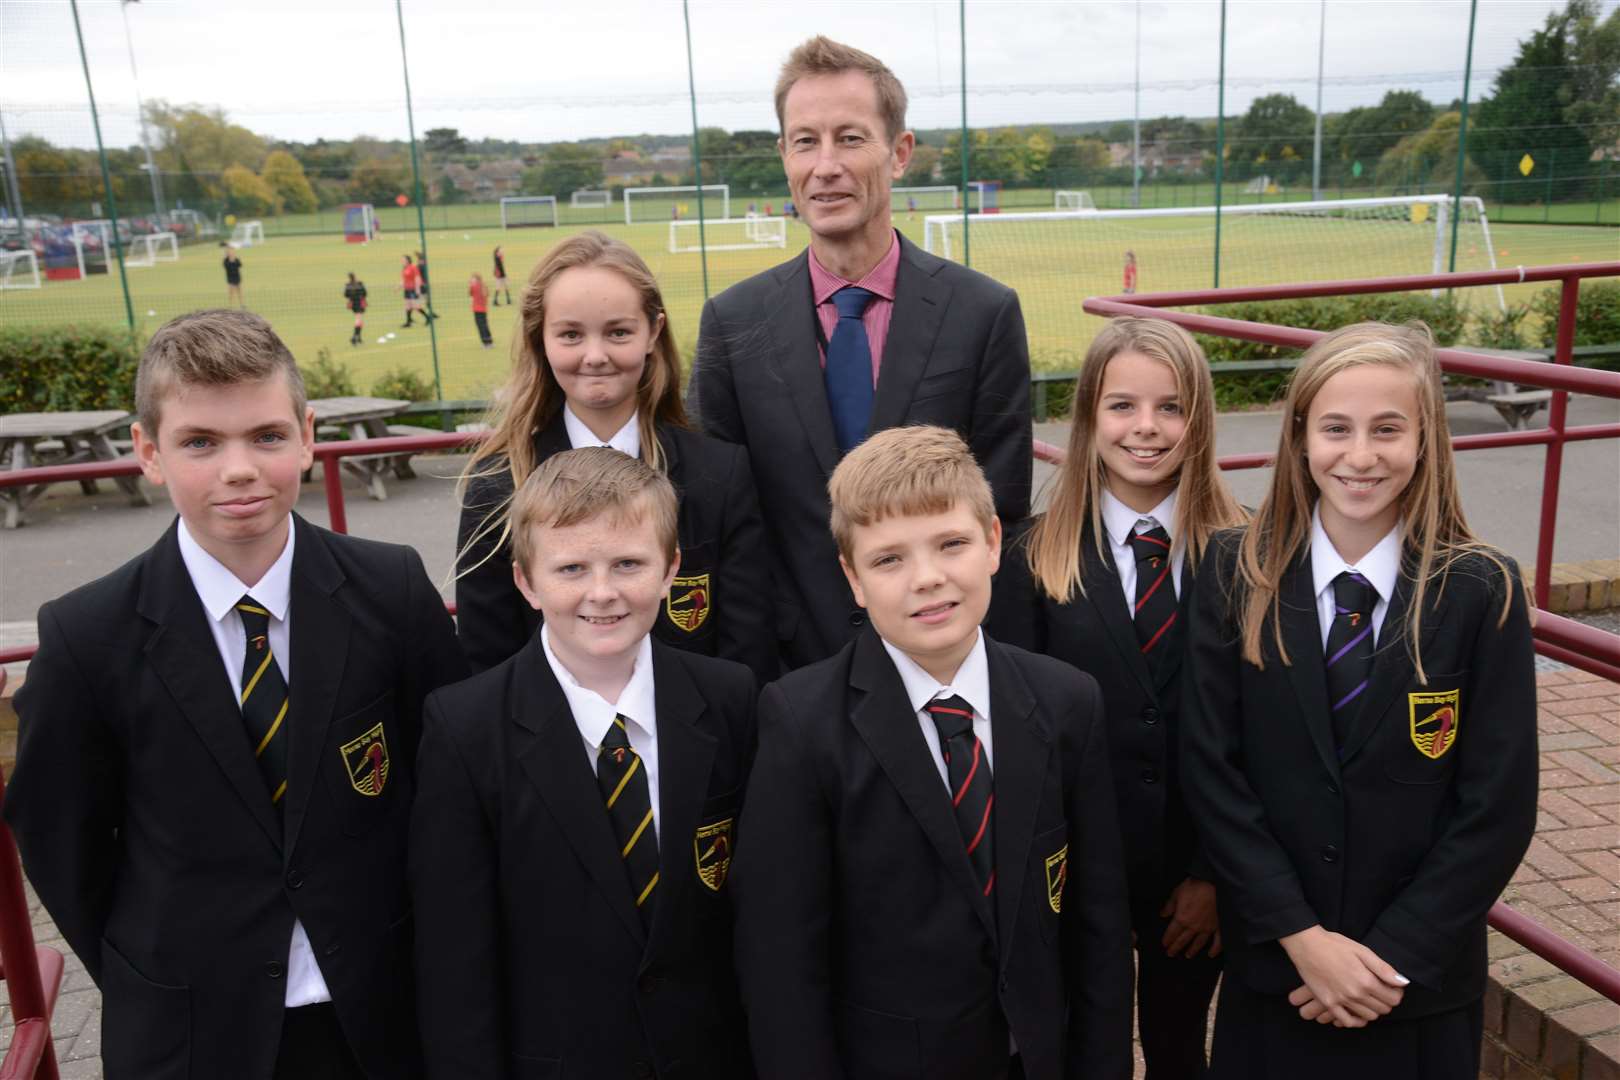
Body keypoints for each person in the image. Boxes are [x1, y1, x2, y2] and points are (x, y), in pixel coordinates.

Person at [4, 309, 468, 1080]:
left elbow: (447, 791)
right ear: (148, 453)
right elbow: (63, 844)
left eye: (266, 436)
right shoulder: (88, 635)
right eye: (199, 443)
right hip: (194, 1030)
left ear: (307, 434)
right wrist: (151, 971)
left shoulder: (391, 591)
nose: (239, 468)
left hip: (383, 1013)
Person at [1181, 322, 1538, 1080]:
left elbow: (1497, 807)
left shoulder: (1482, 590)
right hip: (1277, 975)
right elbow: (1212, 772)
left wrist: (1392, 956)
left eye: (1388, 429)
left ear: (1426, 437)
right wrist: (1302, 938)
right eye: (1337, 428)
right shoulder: (1232, 570)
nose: (1361, 455)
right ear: (1302, 434)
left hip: (1417, 988)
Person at [731, 425, 1134, 1080]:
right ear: (852, 578)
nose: (928, 579)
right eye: (888, 559)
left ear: (995, 543)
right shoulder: (801, 723)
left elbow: (1100, 932)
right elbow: (781, 963)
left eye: (951, 544)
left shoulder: (1067, 703)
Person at [687, 36, 1033, 670]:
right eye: (805, 141)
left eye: (850, 138)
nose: (826, 165)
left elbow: (1001, 517)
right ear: (784, 156)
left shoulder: (983, 313)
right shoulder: (731, 323)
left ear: (898, 153)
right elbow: (722, 525)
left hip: (942, 658)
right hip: (787, 670)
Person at [413, 448, 757, 1078]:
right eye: (571, 568)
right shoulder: (464, 728)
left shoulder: (731, 700)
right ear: (525, 581)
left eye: (628, 563)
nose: (602, 592)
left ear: (671, 568)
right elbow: (455, 958)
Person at [989, 317, 1246, 1079]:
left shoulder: (1247, 554)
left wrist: (1214, 872)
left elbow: (1258, 730)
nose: (1147, 428)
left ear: (1199, 421)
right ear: (1088, 419)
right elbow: (1020, 733)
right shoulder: (1031, 557)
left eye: (1171, 408)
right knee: (1083, 1045)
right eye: (1122, 406)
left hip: (1195, 878)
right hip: (1076, 869)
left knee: (1176, 1046)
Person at [455, 230, 775, 683]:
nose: (595, 356)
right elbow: (486, 660)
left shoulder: (718, 475)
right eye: (570, 334)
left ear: (653, 332)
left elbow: (747, 653)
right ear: (539, 338)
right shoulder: (498, 483)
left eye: (618, 332)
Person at [469, 271, 493, 348]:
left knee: (480, 326)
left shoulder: (474, 286)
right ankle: (489, 341)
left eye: (472, 278)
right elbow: (487, 294)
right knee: (485, 325)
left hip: (477, 309)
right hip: (484, 309)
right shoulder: (484, 286)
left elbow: (470, 293)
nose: (471, 279)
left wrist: (471, 284)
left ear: (476, 279)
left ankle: (485, 342)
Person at [344, 272, 368, 346]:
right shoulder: (360, 284)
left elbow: (346, 295)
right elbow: (365, 293)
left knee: (360, 321)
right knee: (358, 320)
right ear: (355, 277)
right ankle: (354, 337)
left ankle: (359, 338)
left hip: (353, 304)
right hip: (360, 303)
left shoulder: (348, 286)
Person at [400, 254, 423, 327]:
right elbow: (404, 279)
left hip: (413, 289)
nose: (402, 261)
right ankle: (408, 322)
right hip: (407, 289)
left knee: (416, 306)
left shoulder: (413, 267)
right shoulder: (404, 268)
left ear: (407, 260)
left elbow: (417, 278)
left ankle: (428, 317)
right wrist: (399, 287)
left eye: (403, 259)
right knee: (407, 306)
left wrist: (417, 289)